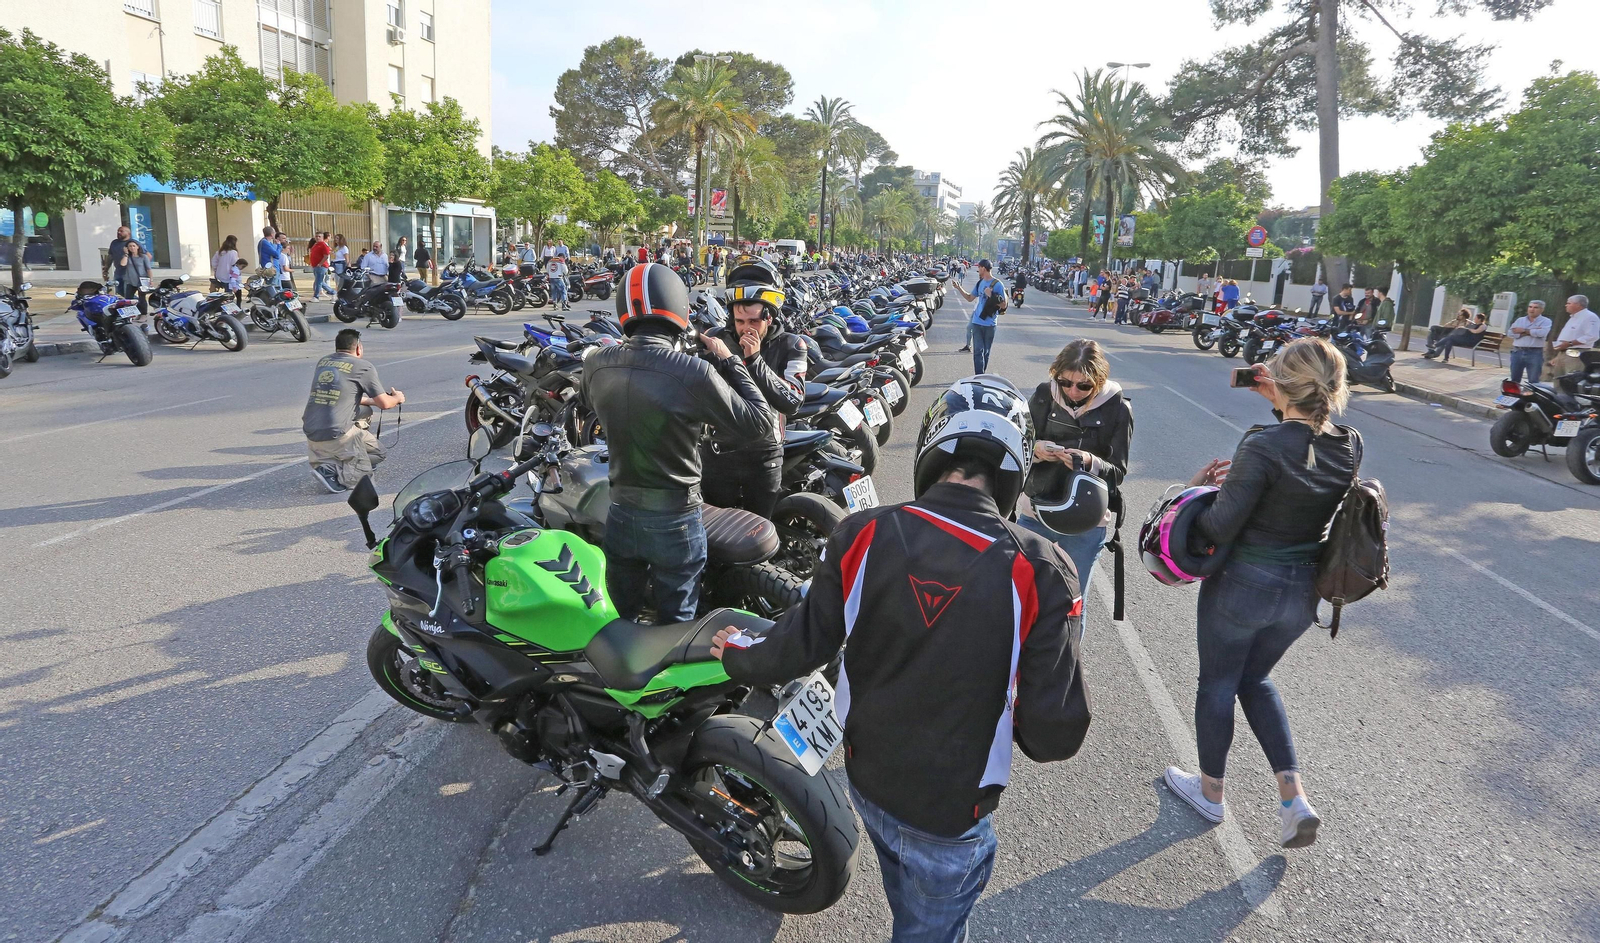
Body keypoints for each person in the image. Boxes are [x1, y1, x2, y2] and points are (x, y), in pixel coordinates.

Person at [712, 374, 1090, 943]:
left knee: (902, 887)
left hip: (866, 780)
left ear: (932, 448)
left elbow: (798, 645)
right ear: (1014, 467)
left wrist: (737, 653)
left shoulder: (861, 533)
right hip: (950, 813)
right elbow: (1053, 735)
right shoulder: (1042, 569)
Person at [1164, 337, 1357, 850]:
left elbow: (1220, 526)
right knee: (1256, 678)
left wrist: (1195, 491)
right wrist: (1282, 402)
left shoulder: (1262, 444)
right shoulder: (1349, 443)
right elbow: (1304, 443)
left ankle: (1210, 792)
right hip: (1302, 593)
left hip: (1244, 585)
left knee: (1218, 682)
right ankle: (1294, 798)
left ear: (1282, 383)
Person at [581, 262, 774, 623]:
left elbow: (588, 403)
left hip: (620, 512)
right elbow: (761, 424)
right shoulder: (692, 371)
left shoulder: (596, 364)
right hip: (676, 519)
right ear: (678, 307)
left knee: (619, 618)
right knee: (676, 626)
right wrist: (732, 361)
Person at [1019, 339, 1131, 634]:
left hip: (1086, 519)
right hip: (1036, 511)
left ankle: (1067, 661)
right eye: (1065, 382)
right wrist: (1036, 449)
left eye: (1083, 386)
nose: (1072, 391)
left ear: (1099, 381)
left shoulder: (1118, 407)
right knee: (1020, 592)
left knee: (1072, 603)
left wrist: (1089, 461)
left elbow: (1118, 472)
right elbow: (1019, 442)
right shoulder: (1044, 395)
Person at [701, 257, 806, 519]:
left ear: (770, 317)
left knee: (760, 529)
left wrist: (755, 361)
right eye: (739, 321)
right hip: (718, 455)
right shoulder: (716, 339)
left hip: (764, 457)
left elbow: (793, 401)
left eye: (754, 321)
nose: (746, 329)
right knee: (717, 532)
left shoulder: (792, 345)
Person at [302, 329, 404, 493]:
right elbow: (385, 404)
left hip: (312, 428)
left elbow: (340, 395)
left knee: (373, 435)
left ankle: (342, 457)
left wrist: (371, 401)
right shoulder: (363, 366)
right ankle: (331, 470)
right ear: (358, 348)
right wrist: (398, 398)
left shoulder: (324, 362)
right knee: (361, 485)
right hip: (337, 432)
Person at [948, 259, 1005, 372]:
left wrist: (992, 295)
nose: (978, 269)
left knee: (986, 352)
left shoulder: (998, 284)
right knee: (978, 351)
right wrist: (958, 288)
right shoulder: (980, 283)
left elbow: (1003, 305)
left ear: (983, 268)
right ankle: (979, 376)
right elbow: (970, 298)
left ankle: (982, 375)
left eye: (979, 267)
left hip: (990, 324)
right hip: (977, 322)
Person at [1508, 301, 1552, 384]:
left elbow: (1542, 333)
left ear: (1542, 309)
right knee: (1514, 379)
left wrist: (1523, 331)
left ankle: (1531, 392)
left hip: (1534, 352)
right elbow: (1510, 333)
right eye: (1530, 307)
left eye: (1535, 307)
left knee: (1534, 380)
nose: (1532, 309)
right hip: (1517, 351)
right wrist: (1532, 331)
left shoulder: (1546, 321)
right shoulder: (1520, 320)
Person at [307, 233, 331, 300]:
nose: (318, 238)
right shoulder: (315, 245)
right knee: (319, 281)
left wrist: (320, 263)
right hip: (315, 266)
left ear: (322, 237)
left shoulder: (323, 245)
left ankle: (316, 296)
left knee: (319, 282)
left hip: (321, 266)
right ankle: (332, 292)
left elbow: (326, 256)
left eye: (319, 236)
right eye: (316, 236)